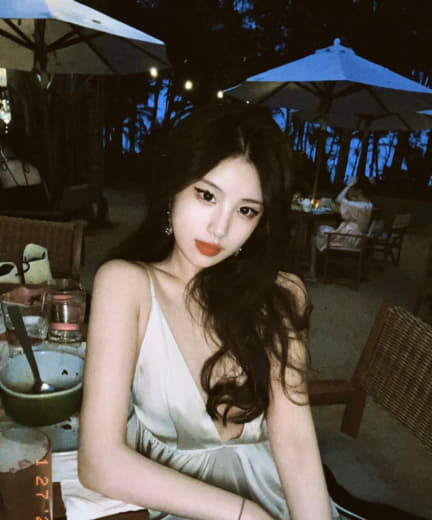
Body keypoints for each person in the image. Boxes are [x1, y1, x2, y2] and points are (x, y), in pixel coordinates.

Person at [78, 103, 340, 520]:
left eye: (246, 210)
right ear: (173, 188)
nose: (220, 228)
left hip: (276, 499)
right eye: (207, 195)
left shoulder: (281, 294)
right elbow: (99, 462)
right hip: (183, 505)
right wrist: (245, 514)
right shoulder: (126, 285)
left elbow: (294, 441)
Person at [307, 177, 373, 281]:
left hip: (348, 240)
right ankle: (319, 267)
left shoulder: (357, 206)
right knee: (322, 229)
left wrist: (348, 185)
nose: (349, 191)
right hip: (356, 239)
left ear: (359, 191)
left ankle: (312, 272)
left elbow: (338, 199)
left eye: (351, 189)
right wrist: (352, 195)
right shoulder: (368, 204)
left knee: (315, 238)